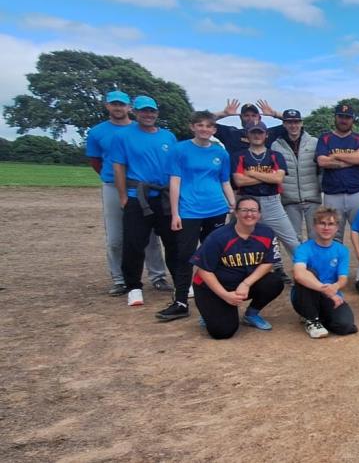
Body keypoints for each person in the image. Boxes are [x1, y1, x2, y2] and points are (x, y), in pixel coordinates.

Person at [85, 90, 171, 296]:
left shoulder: (141, 129)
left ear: (129, 108)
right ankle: (119, 279)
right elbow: (97, 161)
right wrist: (120, 189)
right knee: (116, 237)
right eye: (114, 104)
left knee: (149, 237)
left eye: (122, 104)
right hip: (115, 186)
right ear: (107, 106)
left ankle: (157, 276)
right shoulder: (97, 132)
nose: (118, 108)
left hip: (146, 188)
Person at [161, 110, 236, 321]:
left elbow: (225, 182)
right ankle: (181, 301)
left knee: (216, 255)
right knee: (185, 256)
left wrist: (233, 204)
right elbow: (174, 182)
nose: (204, 129)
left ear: (214, 129)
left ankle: (217, 297)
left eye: (209, 126)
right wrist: (175, 213)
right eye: (200, 125)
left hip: (216, 209)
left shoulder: (220, 152)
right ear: (192, 126)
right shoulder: (180, 150)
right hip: (189, 210)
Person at [110, 95, 179, 308]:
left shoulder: (168, 136)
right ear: (135, 112)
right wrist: (122, 196)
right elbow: (118, 167)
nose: (148, 115)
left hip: (164, 197)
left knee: (174, 242)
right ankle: (134, 287)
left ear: (157, 113)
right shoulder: (123, 136)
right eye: (143, 111)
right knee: (134, 243)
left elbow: (176, 168)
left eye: (152, 111)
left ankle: (181, 282)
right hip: (137, 197)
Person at [190, 196, 285, 339]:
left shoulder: (267, 233)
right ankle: (210, 312)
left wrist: (246, 284)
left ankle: (251, 314)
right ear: (236, 212)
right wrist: (225, 295)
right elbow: (204, 270)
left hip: (241, 282)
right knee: (222, 332)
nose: (249, 214)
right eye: (244, 210)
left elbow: (268, 262)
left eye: (253, 210)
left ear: (259, 214)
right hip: (212, 287)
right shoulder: (219, 237)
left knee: (275, 281)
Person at [231, 121, 300, 269]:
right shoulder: (239, 156)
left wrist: (251, 173)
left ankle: (305, 272)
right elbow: (239, 181)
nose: (257, 135)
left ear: (266, 135)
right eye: (253, 132)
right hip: (247, 203)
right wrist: (266, 175)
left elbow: (278, 179)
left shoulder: (275, 155)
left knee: (292, 241)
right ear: (247, 135)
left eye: (260, 132)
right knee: (244, 241)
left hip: (272, 202)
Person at [291, 207, 358, 339]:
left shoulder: (342, 250)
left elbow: (343, 278)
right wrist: (326, 290)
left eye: (331, 224)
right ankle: (312, 319)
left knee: (346, 326)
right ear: (315, 226)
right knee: (308, 273)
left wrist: (335, 287)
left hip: (331, 295)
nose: (326, 228)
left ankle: (319, 316)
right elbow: (299, 274)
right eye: (322, 223)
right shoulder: (304, 248)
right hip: (306, 295)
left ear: (337, 227)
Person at [315, 104, 359, 242]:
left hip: (357, 193)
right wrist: (351, 160)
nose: (344, 120)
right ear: (335, 117)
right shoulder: (325, 138)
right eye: (341, 116)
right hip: (332, 194)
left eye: (347, 117)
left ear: (352, 120)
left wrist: (335, 156)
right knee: (332, 235)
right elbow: (322, 161)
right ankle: (334, 263)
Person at [265, 108, 321, 242]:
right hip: (289, 199)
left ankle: (314, 263)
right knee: (294, 238)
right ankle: (300, 263)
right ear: (284, 124)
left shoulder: (314, 142)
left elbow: (321, 169)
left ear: (301, 123)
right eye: (289, 122)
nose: (293, 125)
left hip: (312, 197)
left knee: (315, 236)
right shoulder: (276, 145)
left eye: (296, 122)